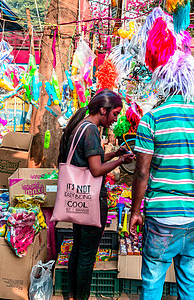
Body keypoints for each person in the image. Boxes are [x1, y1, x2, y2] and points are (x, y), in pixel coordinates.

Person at [129, 60, 194, 299]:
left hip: (160, 215)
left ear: (165, 83)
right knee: (189, 281)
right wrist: (192, 188)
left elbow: (141, 172)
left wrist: (135, 211)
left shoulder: (152, 119)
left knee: (153, 280)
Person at [57, 89, 135, 300]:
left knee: (78, 249)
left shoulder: (80, 127)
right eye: (115, 114)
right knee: (86, 255)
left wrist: (115, 153)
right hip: (90, 201)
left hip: (77, 199)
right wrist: (121, 161)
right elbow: (96, 170)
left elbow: (92, 158)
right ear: (103, 110)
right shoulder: (91, 131)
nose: (115, 119)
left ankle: (73, 294)